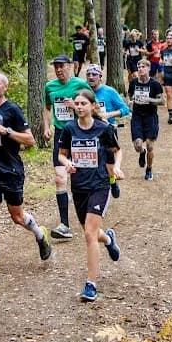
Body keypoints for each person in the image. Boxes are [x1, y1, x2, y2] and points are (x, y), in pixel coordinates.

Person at [0, 72, 51, 288]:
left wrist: (7, 131)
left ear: (5, 87)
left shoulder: (12, 110)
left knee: (17, 217)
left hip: (10, 170)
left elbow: (30, 140)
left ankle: (39, 234)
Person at [58, 89, 121, 301]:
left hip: (100, 185)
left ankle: (91, 285)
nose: (79, 107)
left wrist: (116, 168)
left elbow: (117, 151)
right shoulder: (69, 129)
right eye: (76, 103)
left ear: (93, 106)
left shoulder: (103, 129)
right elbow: (61, 155)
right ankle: (108, 239)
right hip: (79, 186)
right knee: (90, 231)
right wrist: (67, 163)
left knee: (88, 235)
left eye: (83, 103)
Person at [43, 54, 91, 239]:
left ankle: (91, 212)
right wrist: (46, 127)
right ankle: (64, 225)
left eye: (62, 66)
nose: (58, 70)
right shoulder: (50, 87)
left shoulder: (80, 85)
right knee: (60, 178)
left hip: (80, 135)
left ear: (70, 66)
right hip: (61, 135)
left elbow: (92, 107)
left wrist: (76, 106)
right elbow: (47, 107)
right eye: (56, 66)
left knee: (81, 179)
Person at [85, 63, 130, 198]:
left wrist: (108, 115)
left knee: (108, 161)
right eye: (88, 74)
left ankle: (112, 181)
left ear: (100, 76)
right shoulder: (84, 92)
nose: (91, 77)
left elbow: (126, 109)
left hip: (107, 130)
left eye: (94, 74)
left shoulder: (109, 92)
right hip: (89, 132)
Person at [128, 60, 164, 181]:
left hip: (150, 117)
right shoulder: (133, 83)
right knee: (138, 145)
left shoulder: (155, 84)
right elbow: (130, 97)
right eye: (138, 66)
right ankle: (142, 152)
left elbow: (162, 101)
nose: (140, 68)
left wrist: (149, 99)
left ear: (148, 69)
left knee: (150, 145)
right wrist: (130, 102)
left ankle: (149, 169)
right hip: (137, 117)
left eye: (143, 66)